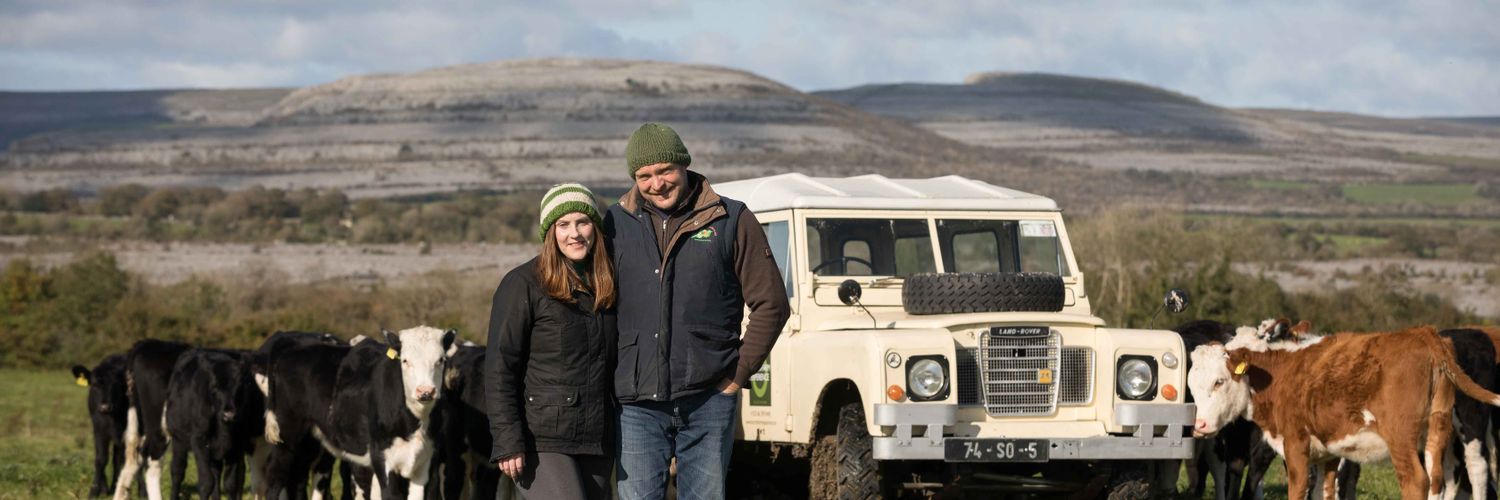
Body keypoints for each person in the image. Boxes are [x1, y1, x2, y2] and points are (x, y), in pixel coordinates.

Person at [605, 122, 791, 499]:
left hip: (709, 398)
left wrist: (738, 374)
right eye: (645, 175)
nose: (656, 183)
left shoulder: (731, 219)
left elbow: (772, 304)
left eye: (665, 171)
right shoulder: (612, 225)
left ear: (684, 166)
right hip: (635, 404)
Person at [485, 183, 617, 499]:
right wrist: (508, 440)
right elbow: (500, 367)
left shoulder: (608, 283)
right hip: (540, 438)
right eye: (563, 225)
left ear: (595, 228)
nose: (575, 233)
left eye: (583, 222)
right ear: (550, 232)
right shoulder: (523, 284)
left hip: (597, 437)